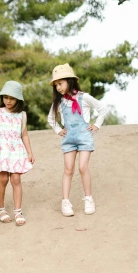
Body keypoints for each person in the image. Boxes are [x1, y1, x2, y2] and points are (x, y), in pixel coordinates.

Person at [47, 64, 108, 216]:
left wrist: (96, 125)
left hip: (84, 138)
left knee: (82, 167)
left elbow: (102, 109)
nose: (58, 88)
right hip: (68, 139)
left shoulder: (84, 97)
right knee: (68, 170)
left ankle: (88, 199)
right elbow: (51, 118)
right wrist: (58, 130)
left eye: (60, 84)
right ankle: (65, 202)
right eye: (56, 85)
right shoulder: (59, 102)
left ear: (69, 81)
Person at [0, 81, 35, 226]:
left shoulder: (22, 115)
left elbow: (24, 135)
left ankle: (18, 211)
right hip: (1, 149)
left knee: (16, 179)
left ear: (18, 99)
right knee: (3, 179)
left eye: (12, 98)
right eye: (5, 97)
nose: (8, 100)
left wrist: (30, 152)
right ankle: (0, 209)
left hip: (16, 151)